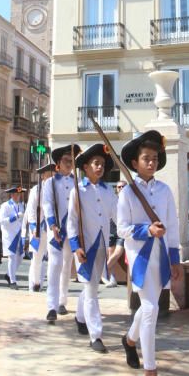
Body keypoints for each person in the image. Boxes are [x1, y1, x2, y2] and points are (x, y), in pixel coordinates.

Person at [117, 131, 181, 376]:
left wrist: (175, 258)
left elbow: (173, 226)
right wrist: (146, 230)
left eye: (155, 158)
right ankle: (151, 373)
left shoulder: (165, 191)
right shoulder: (127, 194)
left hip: (162, 258)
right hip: (140, 259)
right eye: (146, 158)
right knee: (152, 308)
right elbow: (122, 229)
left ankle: (129, 341)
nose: (151, 163)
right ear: (135, 163)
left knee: (148, 307)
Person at [67, 143, 117, 353]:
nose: (99, 167)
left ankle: (80, 317)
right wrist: (75, 246)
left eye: (102, 164)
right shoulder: (78, 191)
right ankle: (95, 335)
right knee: (91, 289)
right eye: (95, 163)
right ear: (85, 167)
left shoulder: (109, 191)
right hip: (85, 246)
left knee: (92, 286)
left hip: (102, 245)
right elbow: (71, 220)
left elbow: (118, 216)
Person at [43, 143, 80, 323]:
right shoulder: (50, 182)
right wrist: (52, 224)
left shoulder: (77, 183)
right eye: (66, 161)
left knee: (67, 266)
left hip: (71, 230)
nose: (69, 164)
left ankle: (62, 301)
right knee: (54, 266)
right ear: (58, 162)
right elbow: (47, 203)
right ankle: (51, 305)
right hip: (56, 230)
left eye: (71, 161)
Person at [26, 163, 53, 292]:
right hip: (38, 227)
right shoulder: (36, 190)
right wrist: (33, 227)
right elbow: (31, 210)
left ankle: (49, 285)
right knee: (36, 258)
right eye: (48, 174)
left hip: (52, 227)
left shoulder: (55, 189)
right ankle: (34, 284)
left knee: (53, 257)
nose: (51, 176)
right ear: (43, 176)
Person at [0, 186, 26, 289]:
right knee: (12, 257)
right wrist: (15, 217)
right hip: (9, 235)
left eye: (19, 194)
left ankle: (8, 274)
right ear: (12, 195)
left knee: (20, 258)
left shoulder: (21, 205)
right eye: (15, 194)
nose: (18, 196)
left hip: (19, 234)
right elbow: (2, 221)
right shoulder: (5, 206)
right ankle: (12, 281)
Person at [102, 180, 126, 287]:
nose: (121, 189)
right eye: (119, 187)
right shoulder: (113, 199)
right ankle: (112, 279)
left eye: (123, 186)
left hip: (123, 231)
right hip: (111, 228)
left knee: (118, 252)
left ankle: (102, 272)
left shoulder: (130, 199)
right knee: (110, 254)